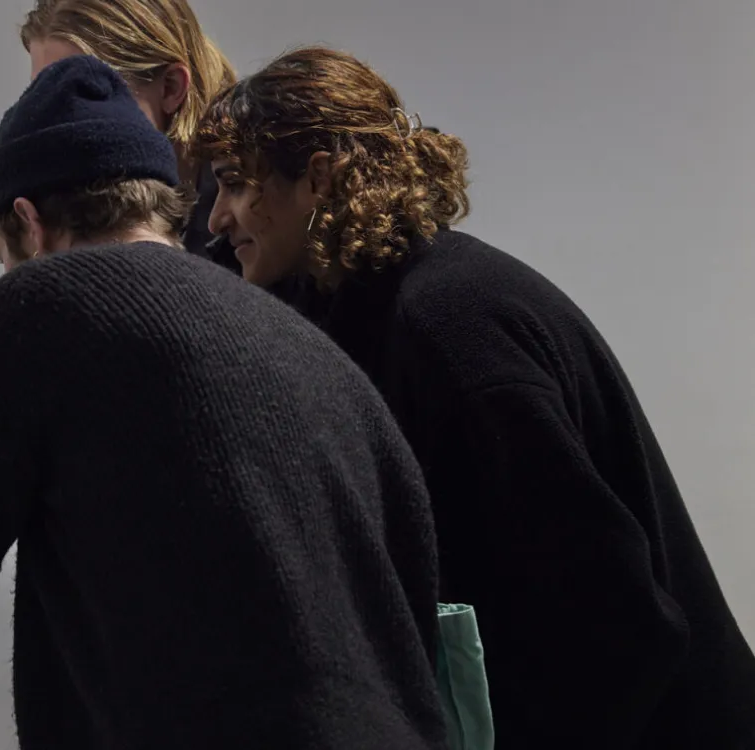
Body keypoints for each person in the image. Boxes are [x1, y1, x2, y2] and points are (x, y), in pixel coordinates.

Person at [0, 55, 449, 749]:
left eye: (2, 253)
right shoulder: (300, 340)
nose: (6, 271)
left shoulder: (46, 304)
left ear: (29, 223)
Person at [195, 45, 755, 750]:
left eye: (235, 185)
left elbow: (614, 621)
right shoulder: (354, 299)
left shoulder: (451, 330)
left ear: (318, 178)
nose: (217, 218)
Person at [18, 0, 241, 270]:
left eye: (84, 94)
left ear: (170, 88)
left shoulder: (255, 215)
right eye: (40, 96)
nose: (51, 123)